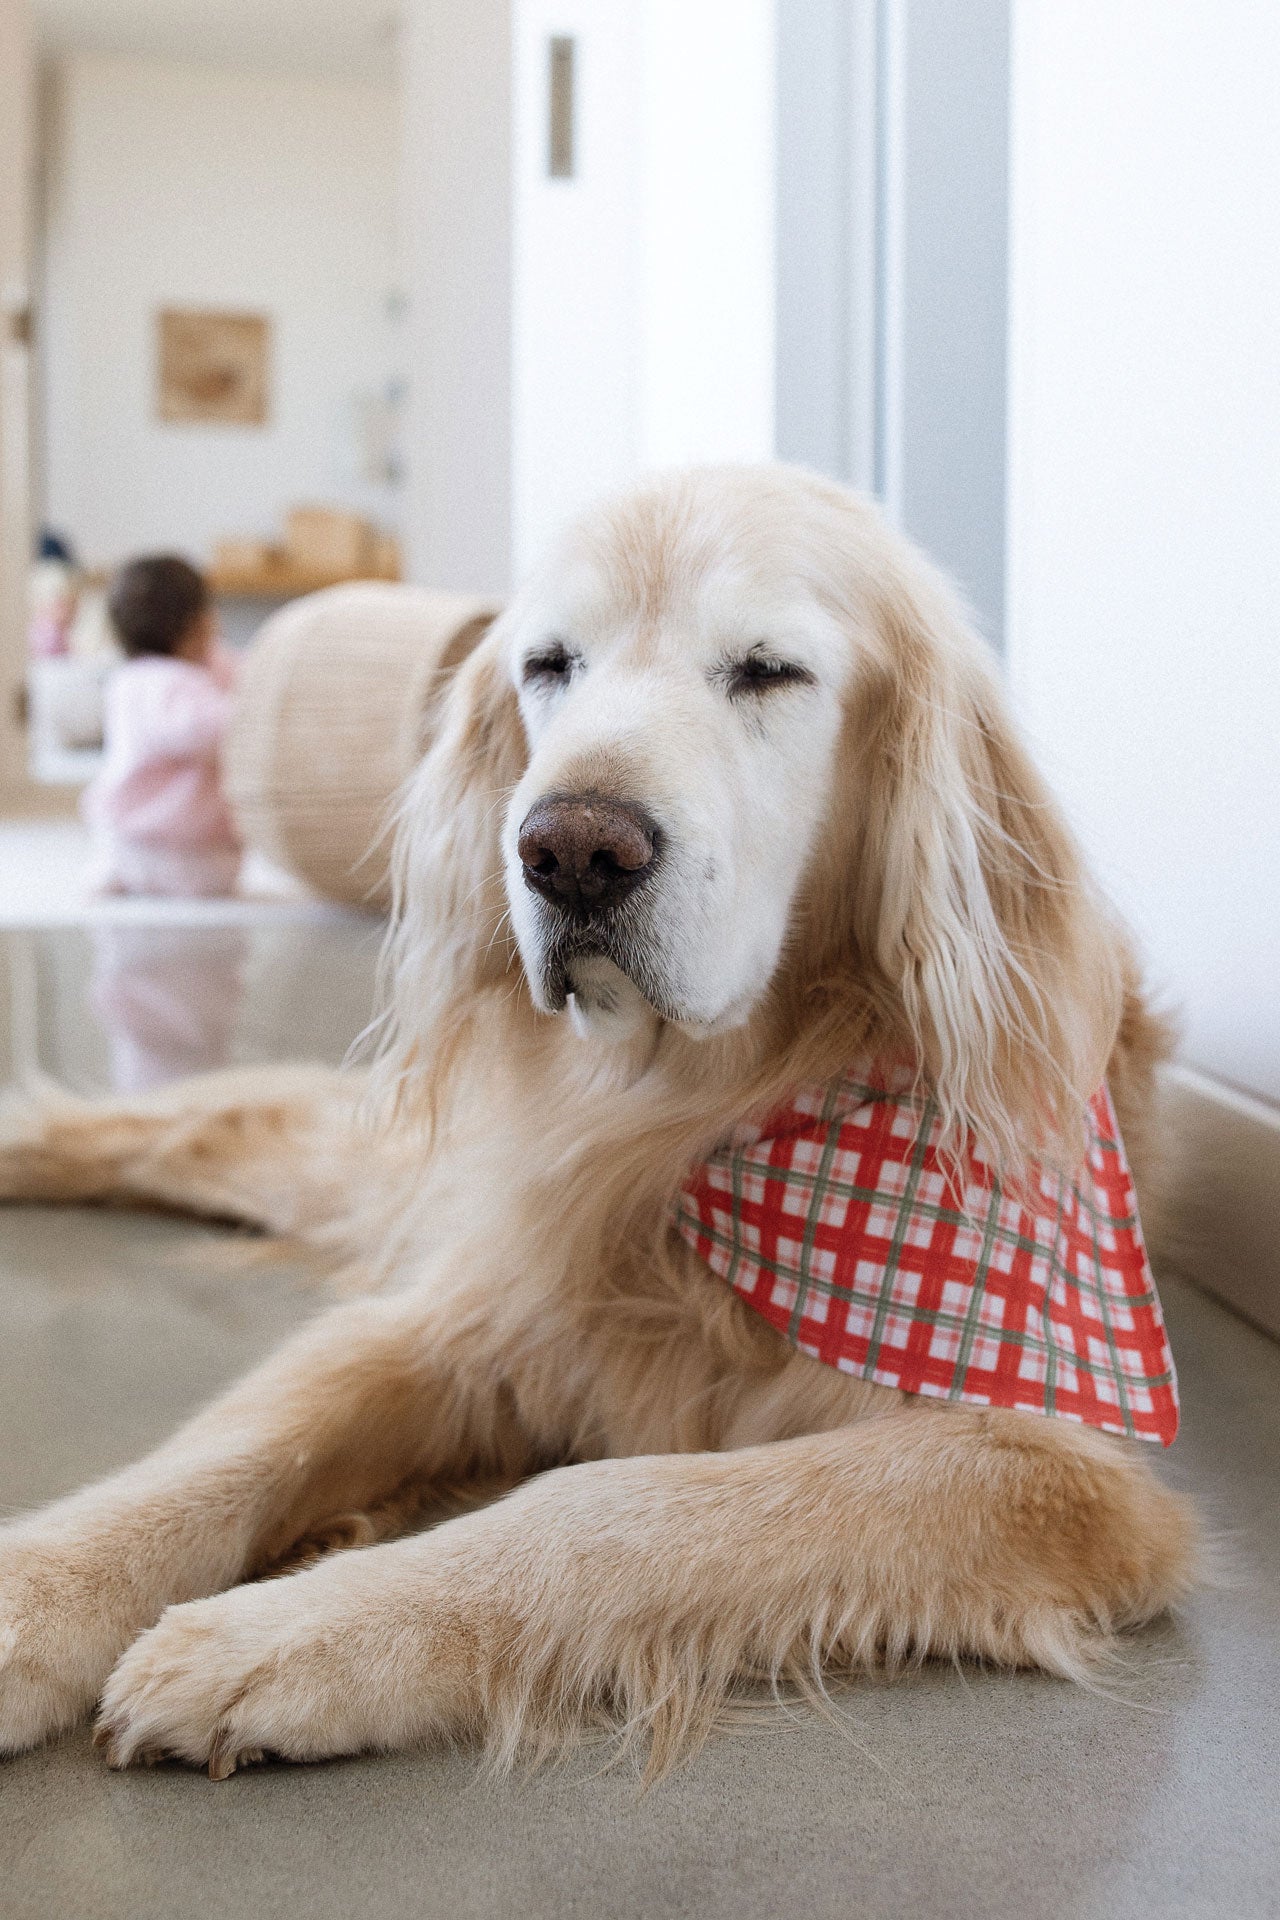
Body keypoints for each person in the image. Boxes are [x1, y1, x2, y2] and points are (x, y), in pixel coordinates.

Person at [82, 555, 243, 896]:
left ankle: (116, 873)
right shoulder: (173, 685)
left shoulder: (128, 678)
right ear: (198, 624)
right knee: (215, 878)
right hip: (180, 840)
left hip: (123, 831)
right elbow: (209, 729)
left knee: (121, 857)